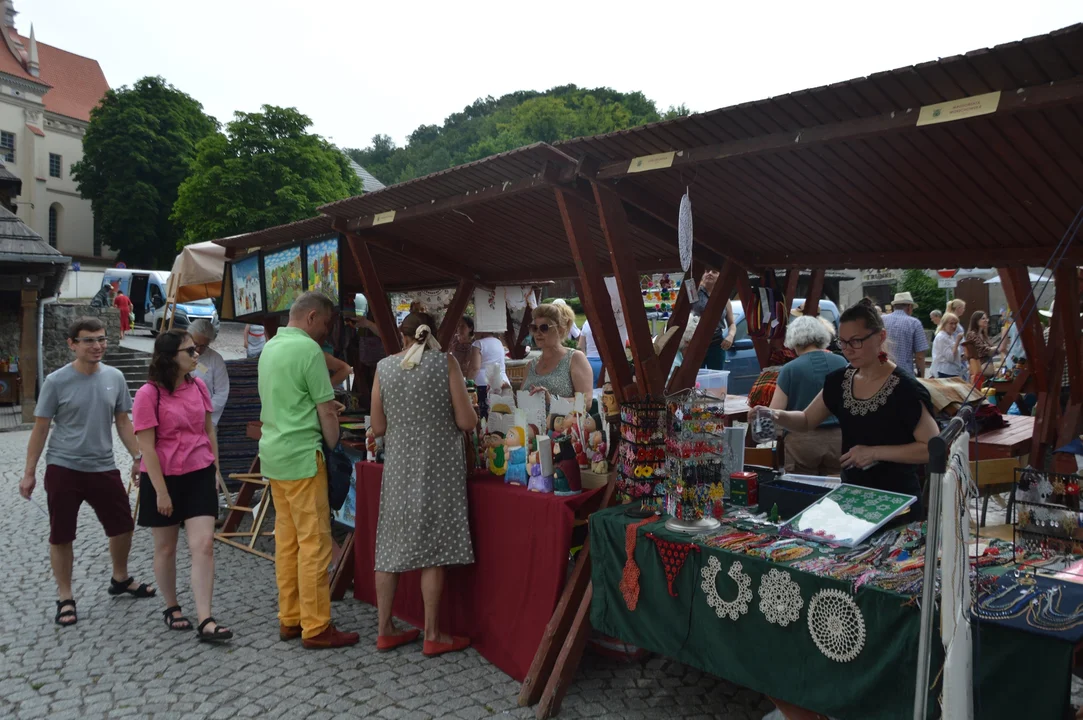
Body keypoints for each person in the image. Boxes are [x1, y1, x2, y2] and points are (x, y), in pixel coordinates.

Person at [20, 317, 155, 627]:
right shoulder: (56, 381)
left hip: (103, 466)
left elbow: (123, 421)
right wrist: (29, 472)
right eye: (89, 340)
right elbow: (41, 429)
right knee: (62, 533)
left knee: (123, 525)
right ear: (73, 344)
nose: (98, 346)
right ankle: (65, 596)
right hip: (63, 467)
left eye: (102, 339)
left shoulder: (116, 377)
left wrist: (138, 456)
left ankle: (120, 578)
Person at [753, 298, 939, 516]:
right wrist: (774, 414)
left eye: (856, 341)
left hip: (897, 502)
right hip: (851, 498)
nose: (849, 349)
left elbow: (932, 448)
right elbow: (805, 420)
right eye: (843, 342)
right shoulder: (840, 381)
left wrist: (875, 453)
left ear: (881, 337)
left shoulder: (905, 389)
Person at [367, 312, 478, 655]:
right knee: (434, 548)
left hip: (399, 468)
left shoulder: (384, 368)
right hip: (438, 467)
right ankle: (433, 634)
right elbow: (465, 420)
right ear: (431, 335)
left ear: (402, 335)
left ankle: (385, 629)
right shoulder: (445, 363)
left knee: (389, 546)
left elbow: (379, 427)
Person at [258, 291, 358, 648]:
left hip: (274, 455)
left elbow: (291, 398)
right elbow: (325, 414)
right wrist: (336, 445)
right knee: (315, 542)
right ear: (312, 317)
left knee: (287, 542)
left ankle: (291, 618)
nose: (327, 333)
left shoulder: (270, 347)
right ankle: (316, 626)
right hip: (302, 456)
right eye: (327, 324)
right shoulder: (308, 351)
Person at [133, 329, 232, 642]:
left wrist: (214, 469)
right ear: (169, 357)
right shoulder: (149, 394)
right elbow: (147, 447)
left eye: (195, 349)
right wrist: (161, 492)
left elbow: (208, 431)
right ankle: (172, 606)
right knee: (166, 547)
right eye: (189, 351)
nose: (196, 355)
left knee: (203, 545)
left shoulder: (198, 385)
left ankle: (205, 618)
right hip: (162, 478)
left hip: (198, 472)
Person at [769, 316, 848, 475]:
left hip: (802, 442)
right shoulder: (841, 362)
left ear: (793, 340)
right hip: (840, 438)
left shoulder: (790, 369)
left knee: (803, 492)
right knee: (837, 488)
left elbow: (775, 411)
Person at [525, 302, 594, 405]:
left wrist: (553, 400)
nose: (538, 333)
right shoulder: (530, 365)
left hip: (562, 421)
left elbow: (586, 401)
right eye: (534, 328)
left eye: (544, 328)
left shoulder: (574, 358)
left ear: (560, 330)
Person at [691, 269, 736, 370]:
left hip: (716, 344)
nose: (709, 273)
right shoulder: (695, 292)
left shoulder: (724, 297)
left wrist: (730, 336)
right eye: (706, 271)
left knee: (717, 379)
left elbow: (732, 323)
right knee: (694, 378)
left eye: (714, 272)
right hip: (695, 343)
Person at [189, 319, 230, 427]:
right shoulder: (179, 354)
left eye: (203, 346)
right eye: (195, 344)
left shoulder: (215, 359)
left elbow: (221, 393)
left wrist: (202, 409)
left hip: (206, 419)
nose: (198, 349)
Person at [881, 291, 928, 377]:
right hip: (904, 374)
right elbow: (920, 356)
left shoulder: (882, 320)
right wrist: (921, 375)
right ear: (909, 307)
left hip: (883, 371)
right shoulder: (914, 323)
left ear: (894, 306)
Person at [465, 329, 510, 417]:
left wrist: (467, 384)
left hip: (483, 385)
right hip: (502, 381)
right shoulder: (498, 342)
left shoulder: (478, 344)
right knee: (502, 415)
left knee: (484, 416)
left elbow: (475, 368)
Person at [579, 319, 628, 388]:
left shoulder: (587, 323)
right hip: (607, 363)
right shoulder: (615, 322)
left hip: (589, 363)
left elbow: (580, 347)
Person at [963, 311, 1007, 386]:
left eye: (987, 318)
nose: (986, 320)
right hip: (980, 370)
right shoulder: (972, 334)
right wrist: (1000, 347)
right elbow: (984, 350)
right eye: (983, 318)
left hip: (988, 370)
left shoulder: (983, 335)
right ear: (976, 321)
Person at [930, 313, 965, 379]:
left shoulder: (949, 336)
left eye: (955, 323)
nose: (954, 326)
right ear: (944, 324)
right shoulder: (942, 337)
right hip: (945, 372)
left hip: (953, 371)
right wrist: (957, 341)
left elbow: (955, 354)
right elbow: (950, 358)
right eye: (951, 323)